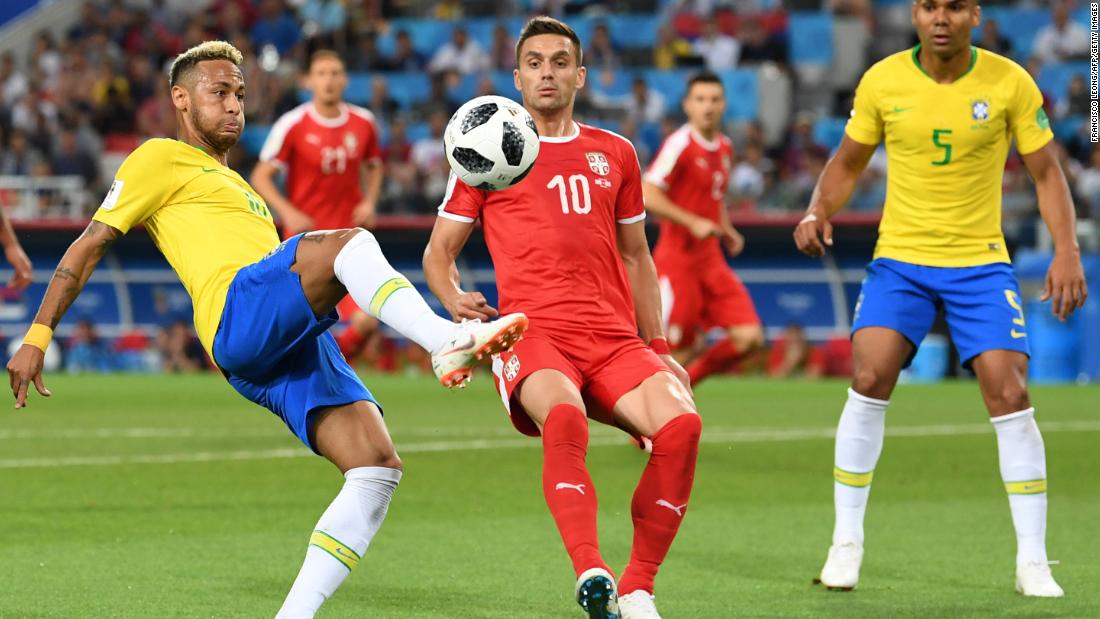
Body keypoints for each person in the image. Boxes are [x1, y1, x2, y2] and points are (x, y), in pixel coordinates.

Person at [5, 41, 528, 619]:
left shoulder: (244, 191)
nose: (234, 106)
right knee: (351, 241)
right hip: (236, 309)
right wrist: (38, 334)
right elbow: (88, 246)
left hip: (280, 342)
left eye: (240, 95)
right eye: (218, 92)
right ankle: (443, 340)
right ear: (180, 99)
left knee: (376, 468)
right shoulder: (158, 158)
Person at [793, 0, 1088, 598]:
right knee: (871, 374)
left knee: (1010, 390)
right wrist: (818, 208)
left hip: (980, 262)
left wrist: (1068, 251)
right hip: (900, 260)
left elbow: (1047, 172)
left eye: (954, 5)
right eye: (930, 6)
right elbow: (848, 162)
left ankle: (1033, 559)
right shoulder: (883, 79)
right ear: (916, 14)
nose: (941, 17)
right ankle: (845, 542)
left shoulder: (1009, 81)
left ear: (974, 14)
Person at [424, 17, 701, 619]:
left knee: (681, 427)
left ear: (580, 74)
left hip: (613, 337)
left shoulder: (616, 152)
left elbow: (638, 258)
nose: (546, 72)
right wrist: (453, 302)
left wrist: (657, 343)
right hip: (533, 333)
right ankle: (591, 572)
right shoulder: (485, 152)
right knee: (566, 418)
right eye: (534, 63)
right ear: (517, 78)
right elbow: (438, 254)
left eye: (558, 62)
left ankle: (638, 589)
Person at [251, 49, 384, 364]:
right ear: (308, 81)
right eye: (322, 73)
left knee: (368, 318)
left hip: (348, 239)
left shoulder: (364, 122)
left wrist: (370, 201)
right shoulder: (293, 123)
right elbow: (261, 175)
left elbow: (374, 165)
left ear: (345, 80)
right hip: (304, 241)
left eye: (335, 73)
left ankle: (337, 364)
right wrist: (288, 212)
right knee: (293, 323)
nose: (329, 80)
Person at [642, 72, 764, 386]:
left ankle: (686, 387)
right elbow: (647, 192)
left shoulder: (724, 147)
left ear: (723, 104)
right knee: (676, 352)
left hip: (711, 261)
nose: (707, 106)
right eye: (700, 100)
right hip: (678, 259)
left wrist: (727, 229)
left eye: (713, 99)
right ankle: (651, 426)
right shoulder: (680, 144)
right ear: (687, 105)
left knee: (749, 337)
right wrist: (691, 221)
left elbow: (714, 197)